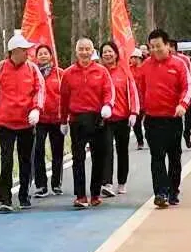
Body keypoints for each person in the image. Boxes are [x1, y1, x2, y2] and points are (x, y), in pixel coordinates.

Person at [0, 34, 45, 213]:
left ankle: (24, 195)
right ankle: (5, 199)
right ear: (14, 51)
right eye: (24, 50)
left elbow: (40, 90)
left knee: (26, 160)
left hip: (26, 122)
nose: (27, 53)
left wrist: (36, 109)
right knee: (7, 160)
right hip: (5, 122)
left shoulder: (32, 69)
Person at [137, 29, 191, 208]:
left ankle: (173, 191)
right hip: (152, 119)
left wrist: (182, 105)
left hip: (173, 118)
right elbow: (140, 89)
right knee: (157, 157)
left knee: (174, 157)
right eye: (152, 47)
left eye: (158, 46)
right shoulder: (145, 66)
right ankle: (160, 192)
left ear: (168, 45)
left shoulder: (179, 64)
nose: (155, 50)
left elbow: (187, 87)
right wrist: (140, 110)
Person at [59, 38, 115, 209]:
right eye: (81, 49)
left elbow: (109, 91)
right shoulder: (68, 73)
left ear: (93, 51)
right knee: (78, 159)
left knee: (99, 157)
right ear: (76, 52)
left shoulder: (101, 71)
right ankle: (80, 196)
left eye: (87, 49)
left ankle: (95, 194)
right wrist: (63, 121)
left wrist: (107, 105)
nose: (84, 52)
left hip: (97, 118)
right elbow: (64, 99)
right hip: (77, 120)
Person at [100, 41, 140, 196]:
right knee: (106, 150)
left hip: (123, 118)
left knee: (122, 151)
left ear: (116, 54)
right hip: (105, 119)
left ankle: (122, 182)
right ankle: (107, 183)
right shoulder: (100, 72)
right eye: (104, 52)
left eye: (110, 51)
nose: (107, 54)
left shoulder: (124, 71)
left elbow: (133, 92)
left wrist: (134, 112)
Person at [32, 45, 65, 197]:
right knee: (38, 150)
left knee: (57, 151)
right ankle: (41, 185)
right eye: (40, 54)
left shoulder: (59, 73)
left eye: (46, 53)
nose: (43, 56)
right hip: (39, 118)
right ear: (36, 57)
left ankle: (56, 183)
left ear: (51, 56)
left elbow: (67, 93)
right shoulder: (33, 73)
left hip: (57, 118)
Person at [169, 40, 191, 149]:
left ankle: (187, 134)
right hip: (172, 97)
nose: (169, 49)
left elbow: (190, 75)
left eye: (171, 47)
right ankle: (176, 142)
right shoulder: (163, 61)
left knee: (188, 118)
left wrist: (189, 90)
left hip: (185, 94)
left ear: (175, 48)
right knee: (174, 120)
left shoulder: (184, 59)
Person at [129, 48, 146, 149]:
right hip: (135, 101)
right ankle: (140, 141)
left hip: (145, 99)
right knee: (136, 122)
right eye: (131, 57)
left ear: (139, 58)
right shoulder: (128, 69)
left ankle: (149, 138)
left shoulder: (144, 69)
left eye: (135, 57)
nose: (132, 59)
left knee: (148, 123)